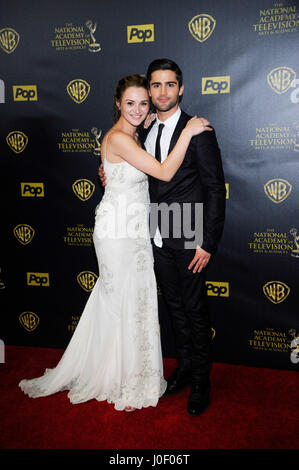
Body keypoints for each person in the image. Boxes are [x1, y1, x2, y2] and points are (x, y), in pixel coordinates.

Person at [19, 73, 211, 412]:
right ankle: (114, 375)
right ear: (117, 104)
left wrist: (150, 124)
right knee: (120, 299)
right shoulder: (120, 138)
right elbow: (164, 172)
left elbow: (143, 152)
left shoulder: (137, 131)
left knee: (131, 301)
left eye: (143, 103)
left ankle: (133, 371)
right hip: (118, 231)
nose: (138, 110)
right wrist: (189, 131)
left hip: (141, 230)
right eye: (130, 104)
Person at [99, 59, 226, 417]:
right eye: (155, 86)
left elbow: (216, 189)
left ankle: (202, 379)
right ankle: (185, 369)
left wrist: (207, 241)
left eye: (170, 85)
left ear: (180, 88)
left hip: (188, 233)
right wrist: (108, 169)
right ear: (149, 91)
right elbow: (134, 167)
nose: (162, 92)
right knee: (174, 308)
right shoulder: (146, 128)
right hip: (154, 233)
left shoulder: (197, 129)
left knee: (195, 309)